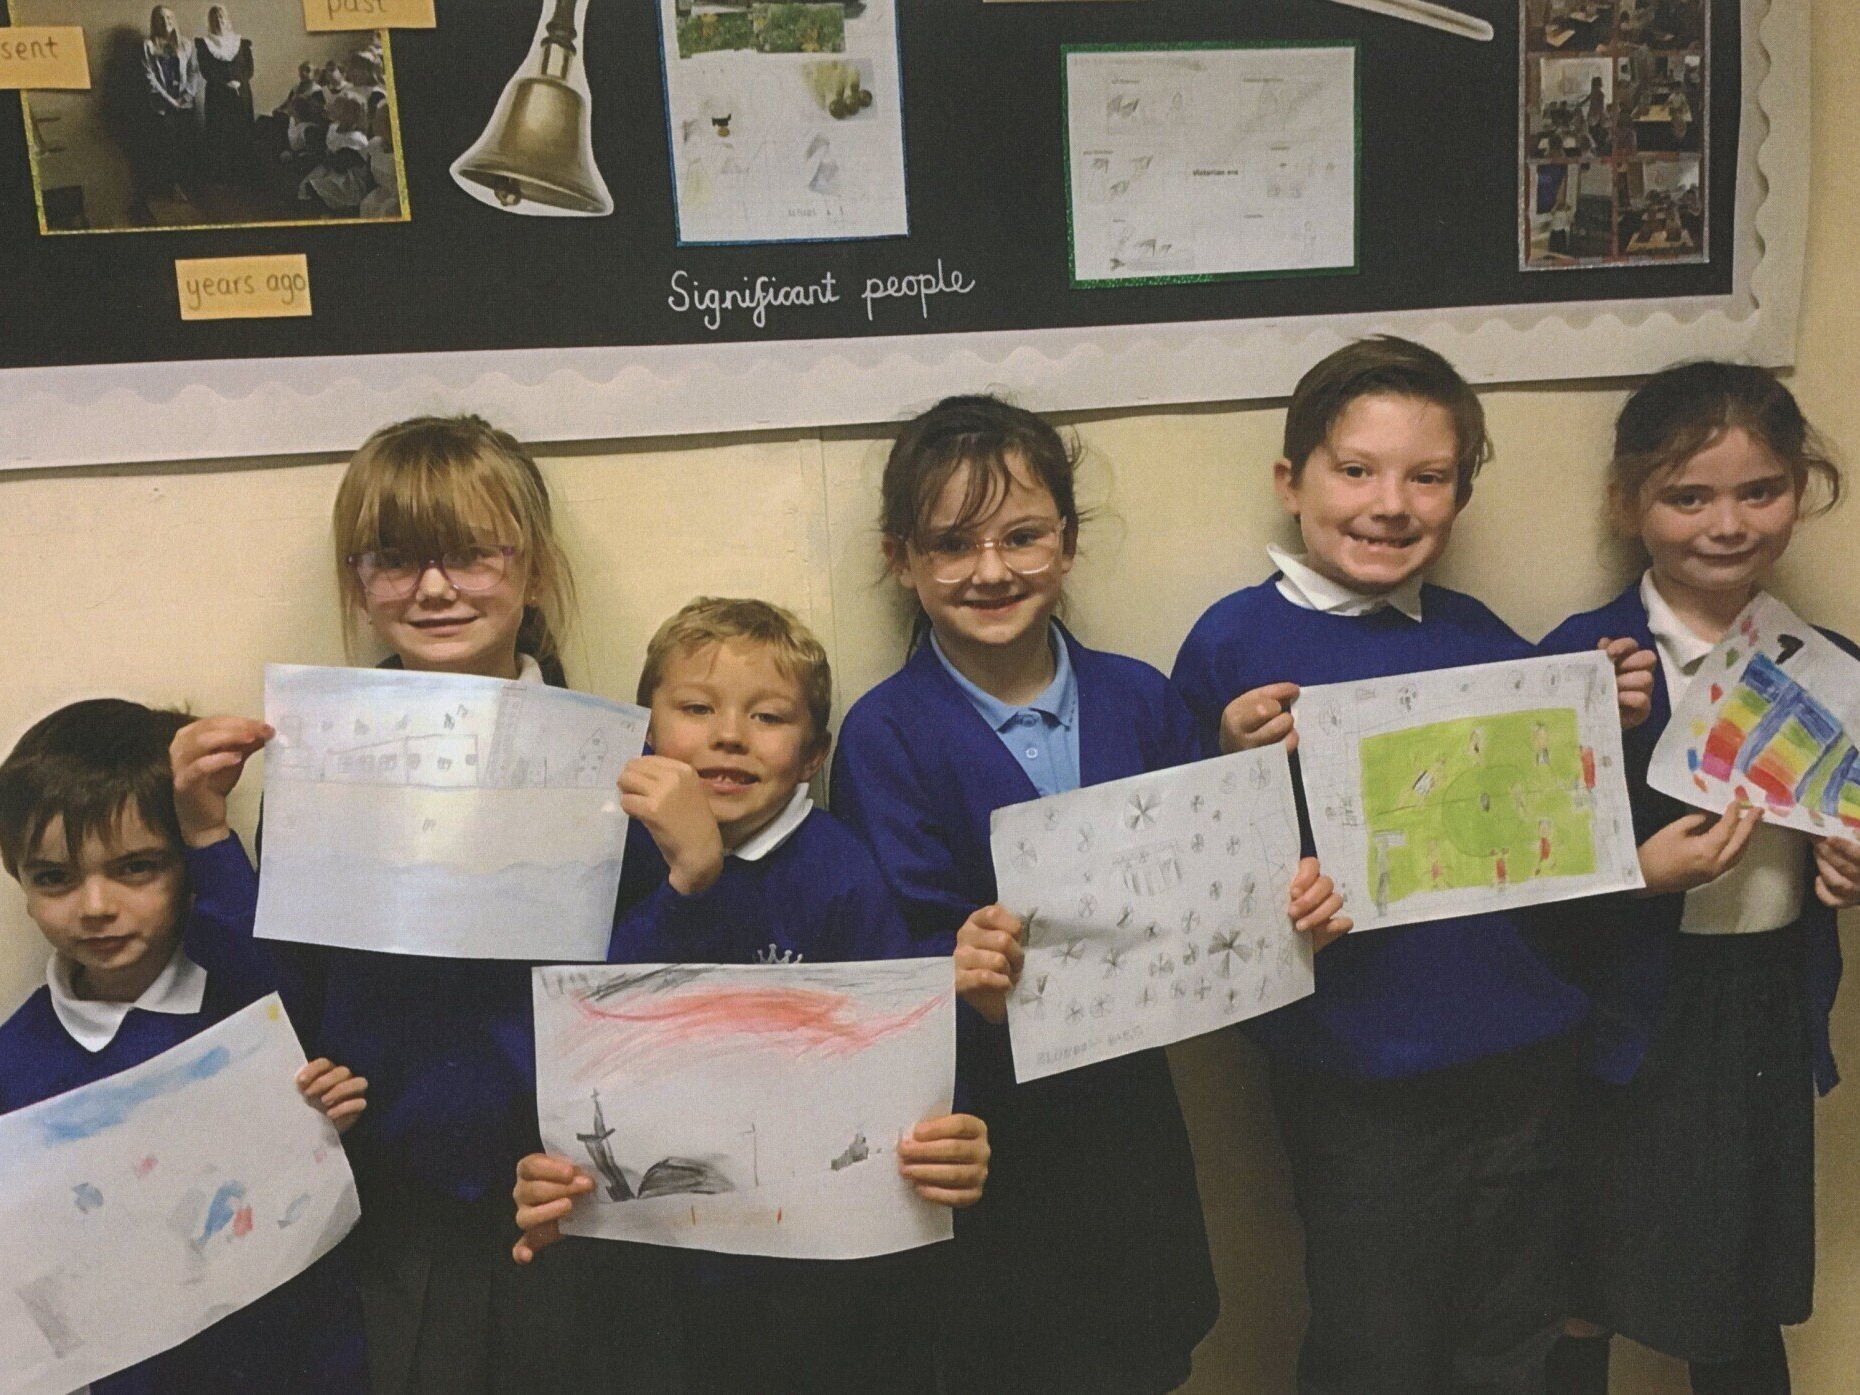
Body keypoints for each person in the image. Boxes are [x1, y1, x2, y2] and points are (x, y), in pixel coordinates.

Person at [832, 394, 1349, 1393]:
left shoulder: (1138, 697)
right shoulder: (886, 733)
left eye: (1023, 536)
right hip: (979, 1128)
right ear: (902, 559)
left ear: (1068, 543)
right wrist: (957, 971)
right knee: (999, 1358)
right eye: (953, 544)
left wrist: (1284, 922)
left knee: (1138, 1347)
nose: (992, 570)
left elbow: (1205, 895)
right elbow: (884, 951)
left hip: (1128, 1118)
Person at [1171, 336, 1655, 1395]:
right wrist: (1226, 755)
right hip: (1360, 1074)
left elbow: (1547, 828)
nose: (1390, 504)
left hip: (1521, 1055)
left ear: (1459, 496)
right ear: (1292, 482)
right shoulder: (1234, 642)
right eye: (1356, 470)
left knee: (1512, 1336)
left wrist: (1597, 715)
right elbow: (1184, 867)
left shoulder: (1480, 634)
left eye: (1427, 477)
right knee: (1374, 1341)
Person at [174, 416, 682, 1393]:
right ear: (359, 582)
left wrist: (692, 873)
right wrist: (205, 834)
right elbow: (287, 999)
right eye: (397, 560)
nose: (435, 588)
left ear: (535, 570)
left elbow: (651, 1008)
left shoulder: (616, 769)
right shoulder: (322, 765)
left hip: (576, 1204)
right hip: (388, 1213)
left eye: (472, 554)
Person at [514, 597, 994, 1394]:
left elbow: (906, 1054)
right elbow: (588, 1035)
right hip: (653, 1279)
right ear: (645, 730)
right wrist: (688, 882)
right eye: (696, 708)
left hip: (820, 1292)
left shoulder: (842, 872)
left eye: (768, 715)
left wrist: (953, 1138)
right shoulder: (601, 857)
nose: (729, 735)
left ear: (812, 755)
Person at [1539, 363, 1857, 1395]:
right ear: (1629, 503)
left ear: (1801, 491)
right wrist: (1633, 868)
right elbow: (1519, 871)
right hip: (1622, 1015)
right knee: (1584, 1277)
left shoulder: (1830, 666)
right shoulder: (1580, 662)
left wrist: (1850, 862)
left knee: (1739, 1284)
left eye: (1760, 491)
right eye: (1688, 496)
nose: (1727, 524)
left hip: (1763, 1003)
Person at [0, 699, 368, 1392]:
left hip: (309, 1361)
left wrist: (329, 1117)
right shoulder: (15, 1064)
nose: (96, 906)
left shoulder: (256, 1003)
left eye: (136, 868)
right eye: (54, 877)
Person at [134, 6, 198, 219]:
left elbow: (194, 72)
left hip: (185, 104)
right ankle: (173, 186)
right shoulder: (149, 46)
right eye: (160, 18)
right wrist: (170, 100)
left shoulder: (186, 44)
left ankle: (188, 186)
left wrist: (186, 97)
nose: (165, 21)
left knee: (185, 145)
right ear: (154, 22)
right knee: (167, 146)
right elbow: (149, 77)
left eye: (169, 17)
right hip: (162, 106)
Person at [194, 5, 255, 185]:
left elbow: (249, 69)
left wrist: (239, 82)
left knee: (242, 132)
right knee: (220, 135)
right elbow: (206, 71)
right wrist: (224, 85)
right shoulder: (204, 45)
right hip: (218, 96)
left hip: (241, 94)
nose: (218, 20)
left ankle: (244, 177)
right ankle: (224, 180)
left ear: (227, 20)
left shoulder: (241, 43)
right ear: (209, 21)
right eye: (214, 18)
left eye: (221, 17)